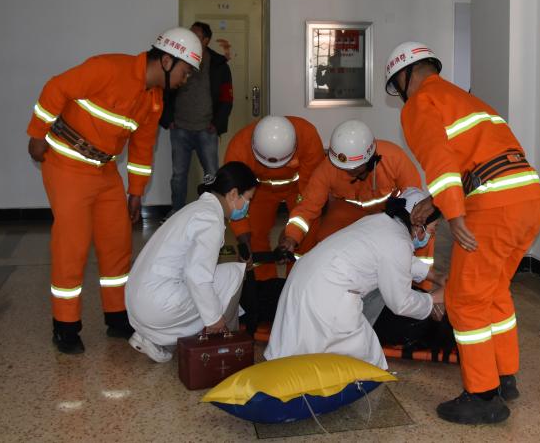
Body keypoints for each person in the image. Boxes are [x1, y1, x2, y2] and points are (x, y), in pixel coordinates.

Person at [385, 40, 540, 425]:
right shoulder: (464, 99)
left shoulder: (420, 103)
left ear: (404, 76)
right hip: (527, 200)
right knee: (494, 292)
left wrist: (454, 216)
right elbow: (474, 163)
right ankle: (504, 376)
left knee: (465, 300)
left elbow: (440, 162)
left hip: (494, 207)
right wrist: (437, 203)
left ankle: (483, 396)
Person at [26, 27, 202, 355]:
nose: (186, 79)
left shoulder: (154, 99)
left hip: (105, 171)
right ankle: (65, 325)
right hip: (66, 164)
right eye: (186, 71)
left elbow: (142, 146)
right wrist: (37, 134)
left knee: (117, 243)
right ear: (167, 61)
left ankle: (117, 315)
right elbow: (56, 87)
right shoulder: (108, 68)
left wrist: (136, 192)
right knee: (72, 244)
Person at [264, 188, 444, 369]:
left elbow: (395, 259)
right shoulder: (398, 240)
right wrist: (435, 298)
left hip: (303, 279)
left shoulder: (380, 222)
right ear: (420, 223)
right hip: (327, 293)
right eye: (433, 228)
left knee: (296, 359)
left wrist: (437, 277)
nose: (432, 235)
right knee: (366, 364)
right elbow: (401, 302)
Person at [126, 161, 257, 363]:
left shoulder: (196, 209)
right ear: (233, 194)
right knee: (234, 273)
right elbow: (197, 276)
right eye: (248, 199)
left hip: (139, 302)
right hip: (157, 305)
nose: (247, 207)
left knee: (209, 282)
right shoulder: (209, 219)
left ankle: (153, 338)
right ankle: (226, 348)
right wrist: (215, 320)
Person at [277, 120, 434, 268]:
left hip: (390, 211)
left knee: (421, 237)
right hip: (348, 210)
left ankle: (420, 280)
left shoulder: (394, 158)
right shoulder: (328, 168)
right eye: (345, 169)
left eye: (355, 169)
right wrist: (291, 236)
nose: (350, 173)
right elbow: (308, 207)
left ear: (371, 159)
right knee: (325, 240)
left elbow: (415, 199)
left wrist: (409, 230)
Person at [224, 115, 325, 280]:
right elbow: (233, 201)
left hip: (298, 187)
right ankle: (265, 284)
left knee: (308, 232)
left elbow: (311, 197)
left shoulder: (307, 136)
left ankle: (298, 282)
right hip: (259, 190)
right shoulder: (238, 148)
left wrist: (292, 237)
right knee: (254, 235)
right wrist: (243, 239)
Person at [164, 21, 234, 215]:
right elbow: (165, 90)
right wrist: (169, 119)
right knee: (178, 175)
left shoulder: (219, 65)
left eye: (196, 35)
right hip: (180, 128)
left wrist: (217, 124)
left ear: (206, 40)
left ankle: (212, 212)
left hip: (206, 129)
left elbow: (226, 98)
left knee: (211, 174)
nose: (190, 37)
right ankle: (176, 212)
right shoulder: (177, 59)